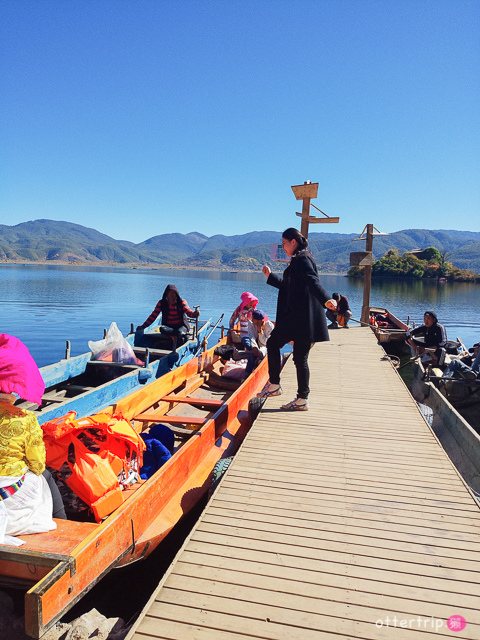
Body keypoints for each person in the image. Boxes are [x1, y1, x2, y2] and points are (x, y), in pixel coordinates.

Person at [257, 228, 337, 411]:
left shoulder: (301, 259)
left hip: (298, 319)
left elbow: (313, 281)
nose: (283, 247)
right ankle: (302, 399)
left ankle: (275, 385)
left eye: (284, 243)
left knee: (273, 344)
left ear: (293, 242)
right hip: (301, 319)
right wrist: (270, 277)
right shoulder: (299, 259)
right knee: (300, 358)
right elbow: (287, 287)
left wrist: (326, 299)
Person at [0, 334, 64, 547]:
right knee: (44, 474)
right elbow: (37, 463)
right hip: (8, 498)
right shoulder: (26, 420)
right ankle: (64, 524)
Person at [244, 309, 274, 376]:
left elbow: (266, 343)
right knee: (244, 339)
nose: (251, 319)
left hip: (264, 346)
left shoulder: (270, 326)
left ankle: (247, 373)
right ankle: (254, 354)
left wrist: (260, 332)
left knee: (252, 354)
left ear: (259, 320)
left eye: (253, 318)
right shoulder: (250, 323)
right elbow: (251, 336)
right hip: (254, 343)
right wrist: (254, 347)